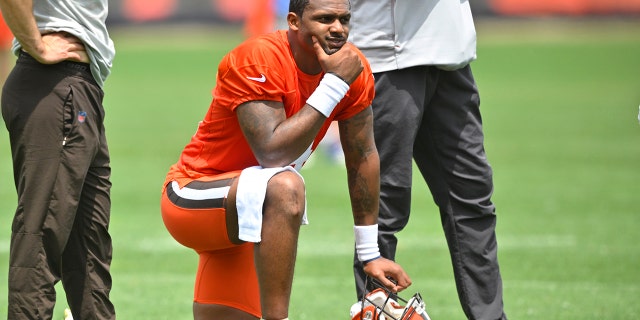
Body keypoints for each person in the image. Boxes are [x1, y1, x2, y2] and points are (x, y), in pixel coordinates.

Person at [159, 0, 412, 319]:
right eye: (324, 19)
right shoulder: (258, 57)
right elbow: (273, 153)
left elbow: (362, 156)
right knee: (286, 186)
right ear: (293, 21)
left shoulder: (353, 67)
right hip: (194, 196)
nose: (337, 28)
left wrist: (370, 254)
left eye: (344, 19)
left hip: (251, 216)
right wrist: (333, 84)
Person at [348, 1, 508, 319]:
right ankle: (376, 311)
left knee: (472, 200)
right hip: (387, 54)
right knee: (384, 205)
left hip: (451, 55)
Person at [0, 0, 116, 319]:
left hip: (78, 87)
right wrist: (36, 45)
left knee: (89, 240)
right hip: (54, 81)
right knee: (41, 231)